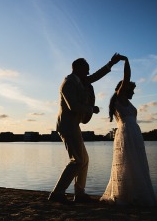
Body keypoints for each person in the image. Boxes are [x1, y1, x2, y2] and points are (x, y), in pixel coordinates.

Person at [49, 53, 122, 204]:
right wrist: (90, 109)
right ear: (78, 68)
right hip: (67, 126)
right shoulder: (69, 82)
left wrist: (111, 63)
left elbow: (96, 76)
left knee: (84, 160)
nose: (88, 73)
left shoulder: (80, 81)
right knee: (77, 160)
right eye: (86, 70)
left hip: (73, 125)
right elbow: (73, 106)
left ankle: (79, 193)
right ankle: (57, 193)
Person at [100, 55, 157, 206]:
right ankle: (124, 195)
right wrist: (126, 61)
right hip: (126, 133)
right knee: (127, 162)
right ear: (124, 89)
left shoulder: (127, 102)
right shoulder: (120, 99)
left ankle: (134, 194)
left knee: (136, 162)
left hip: (134, 133)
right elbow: (127, 77)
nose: (133, 93)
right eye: (131, 90)